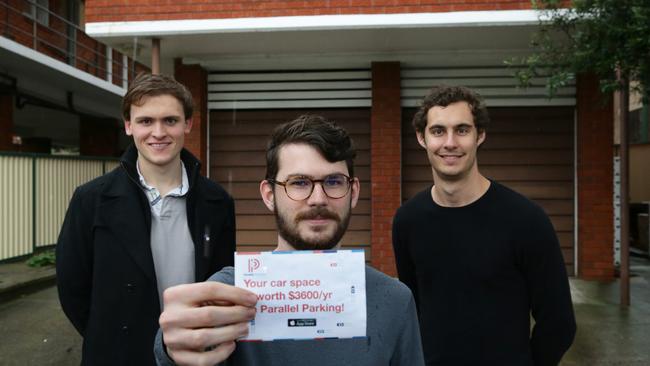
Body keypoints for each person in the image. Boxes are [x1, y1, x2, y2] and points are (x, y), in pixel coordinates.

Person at [154, 114, 424, 366]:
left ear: (353, 192)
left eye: (333, 181)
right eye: (299, 183)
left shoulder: (395, 301)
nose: (318, 198)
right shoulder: (227, 297)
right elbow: (184, 347)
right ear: (269, 195)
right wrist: (171, 347)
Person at [56, 73, 236, 365]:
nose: (158, 132)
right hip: (117, 355)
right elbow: (72, 288)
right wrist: (107, 336)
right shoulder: (90, 200)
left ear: (188, 124)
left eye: (170, 120)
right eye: (145, 121)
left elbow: (223, 281)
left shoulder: (217, 202)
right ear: (129, 125)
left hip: (194, 356)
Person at [392, 85, 576, 365]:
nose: (450, 142)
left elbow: (559, 323)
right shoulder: (407, 221)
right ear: (422, 137)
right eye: (438, 131)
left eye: (462, 130)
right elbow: (414, 311)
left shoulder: (526, 220)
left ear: (480, 135)